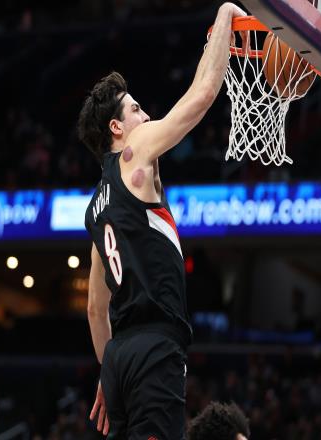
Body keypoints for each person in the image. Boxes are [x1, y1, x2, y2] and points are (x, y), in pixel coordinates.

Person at [78, 3, 247, 438]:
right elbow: (202, 95)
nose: (147, 117)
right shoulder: (135, 153)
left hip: (119, 356)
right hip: (155, 345)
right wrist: (224, 18)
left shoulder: (96, 208)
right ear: (117, 128)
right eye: (136, 110)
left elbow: (96, 308)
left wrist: (109, 371)